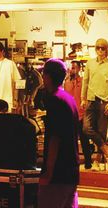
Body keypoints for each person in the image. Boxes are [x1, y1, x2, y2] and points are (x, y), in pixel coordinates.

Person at [39, 59, 80, 208]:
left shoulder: (55, 100)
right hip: (71, 169)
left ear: (48, 77)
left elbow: (55, 138)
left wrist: (49, 172)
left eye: (44, 73)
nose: (42, 77)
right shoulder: (69, 98)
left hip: (59, 171)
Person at [81, 39, 108, 169]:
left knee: (101, 132)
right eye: (98, 48)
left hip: (103, 101)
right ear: (95, 49)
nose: (100, 50)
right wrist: (83, 98)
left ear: (107, 49)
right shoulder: (90, 63)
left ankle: (97, 162)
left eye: (103, 48)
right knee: (86, 129)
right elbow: (85, 81)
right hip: (90, 99)